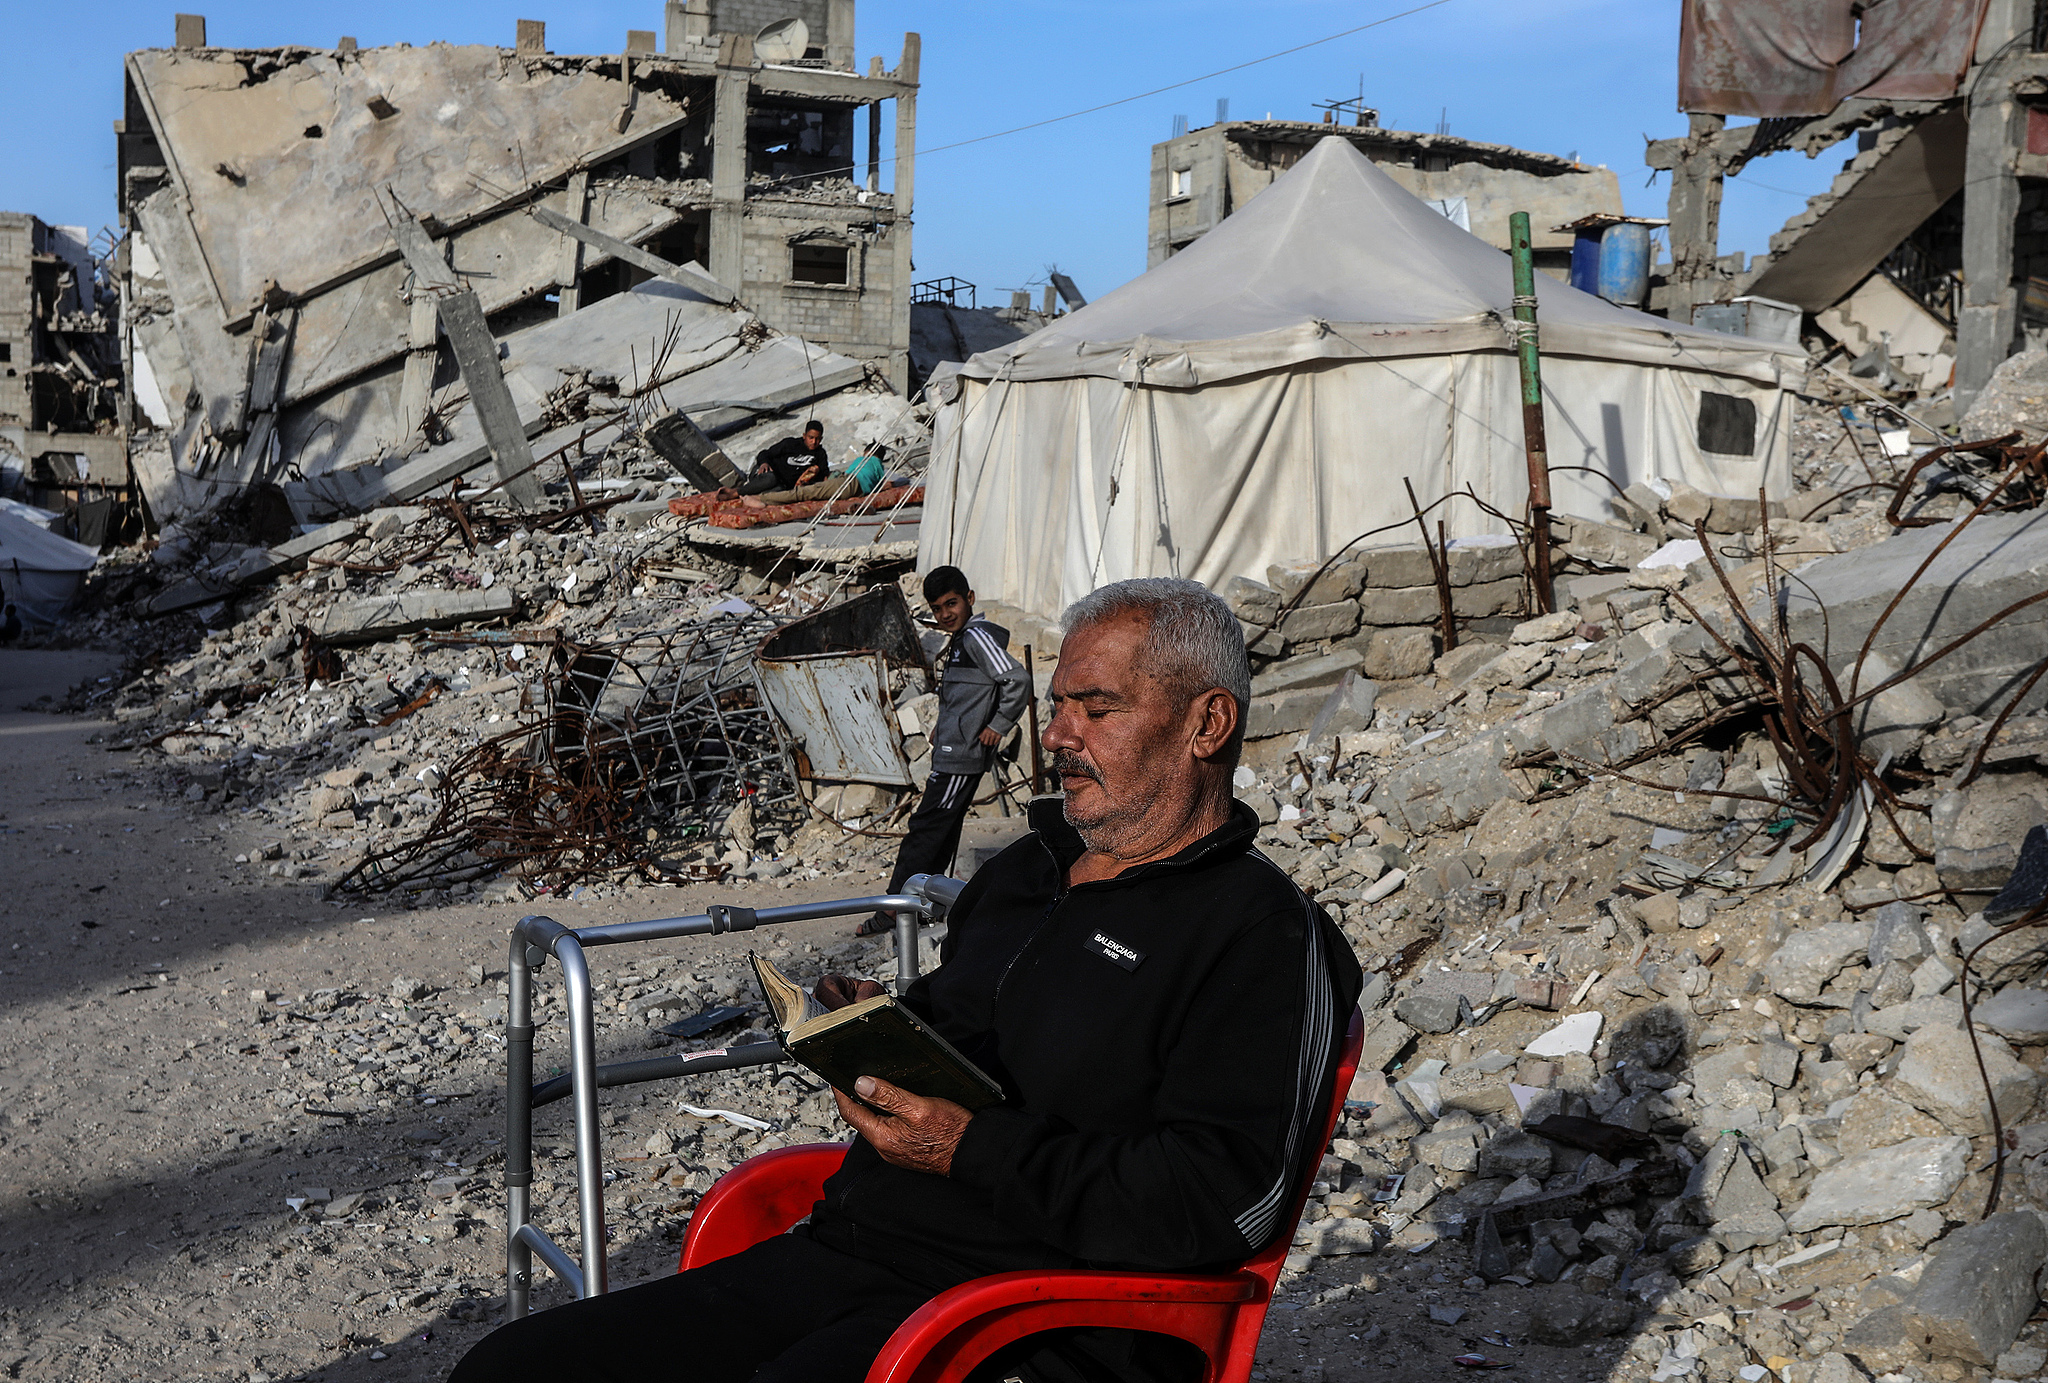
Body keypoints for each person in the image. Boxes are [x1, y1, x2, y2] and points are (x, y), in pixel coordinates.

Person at [448, 577, 1363, 1383]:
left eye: (1098, 707)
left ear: (1207, 723)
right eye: (1058, 705)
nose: (1057, 735)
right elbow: (968, 1022)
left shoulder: (1265, 936)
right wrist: (882, 1031)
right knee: (513, 1367)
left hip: (1042, 1316)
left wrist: (972, 1148)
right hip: (854, 1251)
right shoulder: (1027, 869)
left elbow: (1226, 1200)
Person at [858, 566, 1032, 936]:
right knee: (938, 830)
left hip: (961, 756)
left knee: (926, 829)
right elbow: (964, 696)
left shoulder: (976, 637)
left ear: (970, 598)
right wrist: (944, 724)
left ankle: (894, 908)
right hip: (952, 749)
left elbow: (1016, 678)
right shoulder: (960, 639)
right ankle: (921, 904)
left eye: (951, 604)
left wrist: (998, 725)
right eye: (937, 608)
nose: (944, 614)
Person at [738, 420, 829, 496]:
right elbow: (765, 453)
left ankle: (747, 497)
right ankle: (736, 492)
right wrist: (764, 463)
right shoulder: (790, 444)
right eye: (811, 438)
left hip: (783, 486)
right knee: (771, 479)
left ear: (821, 439)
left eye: (817, 439)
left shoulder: (820, 454)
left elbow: (823, 474)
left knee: (777, 494)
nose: (814, 442)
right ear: (804, 435)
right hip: (767, 474)